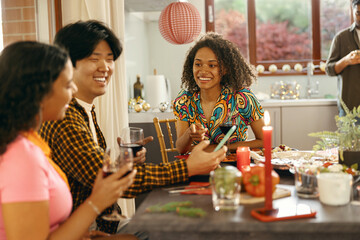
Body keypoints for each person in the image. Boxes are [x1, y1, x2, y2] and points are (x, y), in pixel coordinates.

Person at [40, 20, 227, 234]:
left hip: (106, 223)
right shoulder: (65, 117)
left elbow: (93, 169)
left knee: (183, 220)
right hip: (86, 230)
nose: (106, 67)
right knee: (182, 228)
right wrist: (187, 168)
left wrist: (122, 161)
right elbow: (109, 182)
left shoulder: (85, 110)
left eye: (110, 60)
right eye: (95, 59)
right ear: (67, 64)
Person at [0, 41, 137, 240]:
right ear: (39, 93)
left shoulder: (29, 142)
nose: (73, 90)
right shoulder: (22, 158)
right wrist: (97, 201)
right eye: (67, 84)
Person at [174, 32, 265, 154]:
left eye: (212, 65)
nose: (203, 71)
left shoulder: (242, 97)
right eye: (198, 64)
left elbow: (264, 141)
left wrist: (223, 148)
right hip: (199, 167)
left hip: (236, 167)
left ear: (225, 69)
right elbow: (181, 149)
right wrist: (189, 134)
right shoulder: (185, 100)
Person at [325, 0, 360, 116]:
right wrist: (346, 61)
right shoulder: (341, 38)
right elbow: (329, 69)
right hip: (349, 110)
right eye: (358, 13)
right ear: (352, 11)